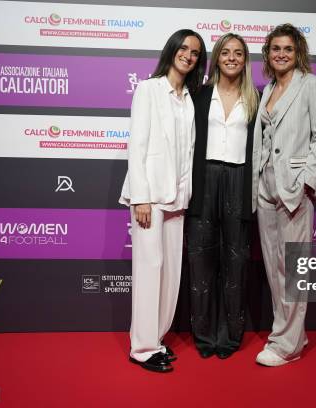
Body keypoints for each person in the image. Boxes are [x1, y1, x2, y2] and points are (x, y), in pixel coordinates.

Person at [118, 29, 206, 373]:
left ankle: (156, 340)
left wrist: (185, 196)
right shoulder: (148, 89)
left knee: (170, 275)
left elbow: (187, 151)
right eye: (183, 48)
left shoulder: (189, 97)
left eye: (195, 52)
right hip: (150, 198)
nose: (188, 55)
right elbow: (137, 145)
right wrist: (140, 197)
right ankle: (141, 348)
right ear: (171, 50)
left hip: (177, 199)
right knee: (149, 271)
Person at [251, 23, 316, 366]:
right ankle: (289, 333)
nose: (281, 54)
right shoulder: (266, 89)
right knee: (274, 269)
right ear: (268, 54)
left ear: (298, 52)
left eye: (287, 48)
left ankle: (288, 346)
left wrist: (307, 183)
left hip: (294, 189)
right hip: (265, 189)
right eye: (275, 49)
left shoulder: (312, 85)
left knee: (294, 269)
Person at [186, 33, 259, 359]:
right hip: (204, 180)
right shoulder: (199, 94)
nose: (231, 58)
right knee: (201, 262)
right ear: (216, 58)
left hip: (239, 181)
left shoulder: (255, 98)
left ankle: (230, 337)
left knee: (236, 262)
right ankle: (203, 336)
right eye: (225, 52)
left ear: (246, 60)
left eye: (238, 53)